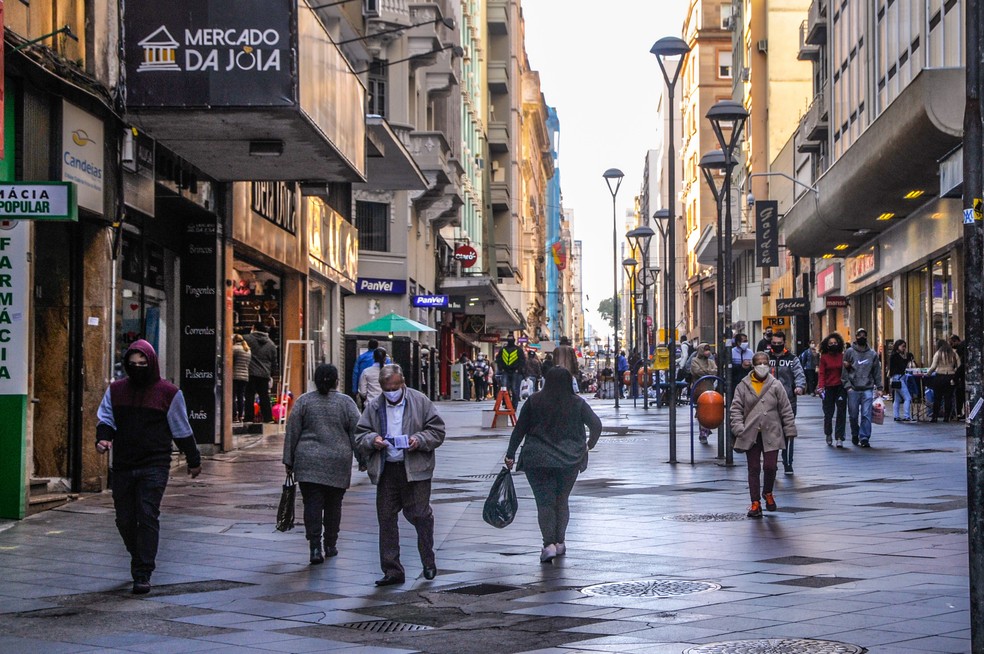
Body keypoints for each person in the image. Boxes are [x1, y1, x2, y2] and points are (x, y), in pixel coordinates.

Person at [96, 340, 201, 595]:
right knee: (124, 519)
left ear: (151, 363)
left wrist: (193, 458)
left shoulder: (169, 393)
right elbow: (106, 418)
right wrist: (103, 438)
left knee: (147, 513)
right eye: (133, 364)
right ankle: (138, 553)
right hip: (123, 464)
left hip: (155, 463)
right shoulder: (116, 390)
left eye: (143, 364)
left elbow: (181, 427)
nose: (138, 368)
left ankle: (143, 572)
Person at [356, 364, 446, 586]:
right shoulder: (375, 406)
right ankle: (392, 570)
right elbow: (360, 434)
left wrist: (419, 440)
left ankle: (428, 561)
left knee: (420, 515)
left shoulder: (420, 401)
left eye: (395, 386)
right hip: (387, 469)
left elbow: (437, 430)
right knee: (386, 518)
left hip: (416, 470)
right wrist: (373, 440)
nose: (392, 391)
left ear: (403, 382)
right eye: (387, 388)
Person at [504, 367, 602, 562]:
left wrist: (510, 454)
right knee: (561, 500)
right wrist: (587, 446)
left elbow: (519, 430)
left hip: (538, 459)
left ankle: (548, 544)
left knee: (544, 502)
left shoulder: (534, 401)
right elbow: (596, 425)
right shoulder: (577, 403)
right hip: (569, 459)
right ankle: (560, 542)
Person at [283, 364, 362, 565]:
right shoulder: (346, 403)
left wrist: (289, 460)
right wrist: (363, 459)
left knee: (312, 504)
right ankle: (331, 544)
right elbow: (358, 433)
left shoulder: (304, 402)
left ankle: (315, 547)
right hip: (338, 461)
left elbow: (292, 431)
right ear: (337, 380)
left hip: (308, 462)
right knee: (334, 505)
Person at [730, 351, 797, 518]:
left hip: (772, 431)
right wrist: (738, 428)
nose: (762, 366)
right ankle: (755, 503)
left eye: (764, 362)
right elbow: (736, 409)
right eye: (758, 362)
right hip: (750, 433)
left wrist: (789, 430)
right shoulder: (743, 385)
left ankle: (767, 492)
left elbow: (786, 409)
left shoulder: (776, 385)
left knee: (770, 466)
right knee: (753, 468)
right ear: (753, 365)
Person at [767, 331, 805, 474]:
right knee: (770, 433)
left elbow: (799, 374)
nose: (776, 346)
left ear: (784, 342)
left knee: (787, 431)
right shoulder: (766, 358)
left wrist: (800, 386)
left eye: (779, 343)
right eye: (774, 343)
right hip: (769, 401)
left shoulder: (792, 359)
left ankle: (787, 461)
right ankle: (772, 462)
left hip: (788, 400)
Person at [843, 327, 883, 447]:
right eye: (859, 335)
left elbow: (877, 371)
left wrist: (879, 388)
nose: (862, 337)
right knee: (853, 415)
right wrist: (848, 386)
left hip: (867, 388)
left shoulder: (872, 354)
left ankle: (864, 437)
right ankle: (855, 433)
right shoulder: (849, 352)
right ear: (856, 337)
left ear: (867, 337)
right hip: (853, 389)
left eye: (864, 335)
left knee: (866, 414)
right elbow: (844, 371)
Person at [817, 332, 848, 447]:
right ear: (827, 345)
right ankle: (828, 433)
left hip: (841, 387)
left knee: (841, 412)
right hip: (828, 388)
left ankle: (840, 437)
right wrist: (821, 387)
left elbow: (847, 372)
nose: (833, 344)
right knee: (828, 413)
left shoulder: (842, 356)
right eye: (831, 343)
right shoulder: (824, 357)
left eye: (835, 342)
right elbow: (821, 373)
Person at [244, 323, 279, 424]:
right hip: (264, 374)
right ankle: (268, 418)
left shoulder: (246, 339)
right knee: (264, 396)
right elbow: (274, 362)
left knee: (249, 396)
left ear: (254, 328)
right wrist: (271, 374)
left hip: (251, 372)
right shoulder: (271, 344)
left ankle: (249, 418)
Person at [690, 343, 718, 444]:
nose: (707, 351)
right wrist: (708, 372)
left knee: (710, 410)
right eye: (705, 349)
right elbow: (697, 371)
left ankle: (705, 429)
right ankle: (703, 432)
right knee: (701, 411)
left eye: (708, 349)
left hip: (710, 389)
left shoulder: (711, 361)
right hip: (699, 390)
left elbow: (715, 371)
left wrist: (706, 371)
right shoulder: (694, 360)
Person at [928, 338, 960, 423]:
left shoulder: (938, 353)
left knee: (937, 398)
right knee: (948, 398)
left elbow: (933, 367)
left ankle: (934, 417)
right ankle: (947, 417)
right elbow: (959, 366)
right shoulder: (953, 353)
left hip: (939, 376)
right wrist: (955, 373)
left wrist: (928, 374)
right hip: (950, 376)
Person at [888, 339, 916, 423]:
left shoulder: (894, 355)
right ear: (898, 346)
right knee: (907, 397)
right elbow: (902, 366)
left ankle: (896, 416)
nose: (904, 348)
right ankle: (906, 416)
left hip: (895, 378)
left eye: (905, 347)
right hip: (899, 378)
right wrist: (907, 359)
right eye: (903, 346)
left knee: (897, 398)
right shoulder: (896, 356)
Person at [496, 336, 527, 407]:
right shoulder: (503, 349)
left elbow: (522, 361)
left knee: (514, 389)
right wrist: (501, 368)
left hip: (515, 372)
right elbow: (498, 359)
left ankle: (514, 405)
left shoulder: (518, 350)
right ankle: (507, 403)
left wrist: (518, 369)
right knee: (505, 388)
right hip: (505, 371)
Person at [232, 333, 252, 423]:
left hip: (235, 376)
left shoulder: (234, 349)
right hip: (245, 376)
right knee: (241, 396)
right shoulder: (247, 350)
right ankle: (241, 415)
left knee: (233, 396)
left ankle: (234, 415)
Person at [950, 334, 966, 419]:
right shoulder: (964, 345)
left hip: (963, 375)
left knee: (961, 394)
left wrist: (955, 377)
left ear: (956, 341)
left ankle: (959, 412)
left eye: (952, 343)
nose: (952, 346)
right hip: (964, 374)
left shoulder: (960, 349)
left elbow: (960, 364)